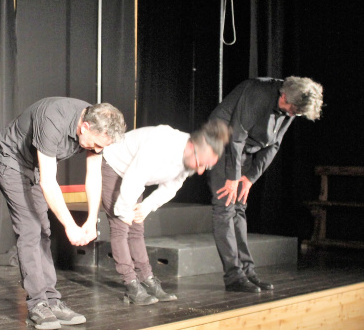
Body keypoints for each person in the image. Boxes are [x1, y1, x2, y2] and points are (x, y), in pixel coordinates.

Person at [0, 98, 126, 330]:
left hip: (33, 166)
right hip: (10, 161)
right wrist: (70, 225)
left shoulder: (96, 126)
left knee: (43, 230)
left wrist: (91, 221)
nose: (97, 150)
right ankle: (36, 304)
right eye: (95, 144)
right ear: (84, 127)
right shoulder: (53, 119)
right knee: (30, 229)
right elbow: (48, 182)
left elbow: (94, 177)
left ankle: (52, 300)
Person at [208, 76, 324, 293]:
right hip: (223, 143)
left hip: (245, 151)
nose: (292, 114)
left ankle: (247, 271)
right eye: (292, 110)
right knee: (225, 207)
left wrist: (250, 178)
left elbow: (274, 145)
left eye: (296, 113)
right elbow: (235, 137)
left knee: (239, 208)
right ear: (284, 95)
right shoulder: (258, 92)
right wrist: (233, 178)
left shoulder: (291, 106)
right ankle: (234, 276)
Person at [101, 119, 231, 305]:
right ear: (191, 147)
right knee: (121, 227)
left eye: (205, 167)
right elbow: (135, 176)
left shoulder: (190, 159)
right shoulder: (161, 143)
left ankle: (147, 279)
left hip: (135, 177)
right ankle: (131, 285)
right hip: (116, 165)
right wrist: (123, 210)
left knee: (137, 227)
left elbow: (171, 187)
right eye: (200, 163)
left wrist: (145, 207)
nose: (201, 171)